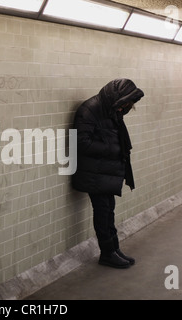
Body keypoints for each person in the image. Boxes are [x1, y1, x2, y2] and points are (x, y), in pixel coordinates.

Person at [72, 78, 144, 269]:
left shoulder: (110, 109)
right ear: (116, 98)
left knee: (108, 210)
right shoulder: (90, 110)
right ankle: (107, 253)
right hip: (94, 172)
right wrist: (111, 149)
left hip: (104, 170)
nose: (124, 109)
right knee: (103, 212)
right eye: (123, 105)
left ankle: (113, 248)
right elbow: (79, 141)